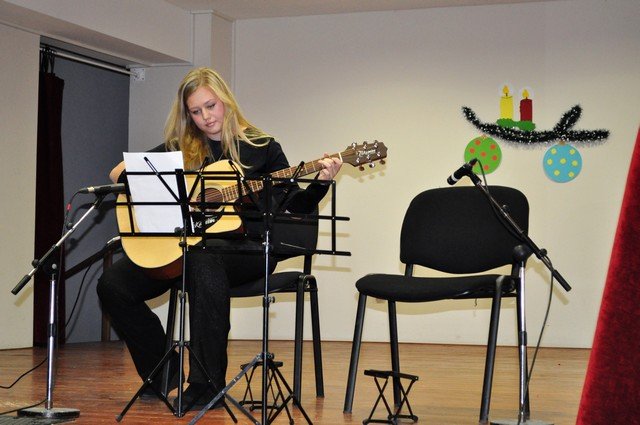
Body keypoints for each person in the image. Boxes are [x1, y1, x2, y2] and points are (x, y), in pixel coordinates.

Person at [97, 67, 342, 411]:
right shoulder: (183, 147)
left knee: (203, 259)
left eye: (210, 106)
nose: (206, 117)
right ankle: (161, 373)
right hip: (186, 248)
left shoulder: (261, 147)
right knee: (113, 284)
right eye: (196, 112)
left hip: (248, 249)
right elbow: (117, 172)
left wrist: (321, 183)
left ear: (226, 100)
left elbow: (292, 206)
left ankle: (205, 384)